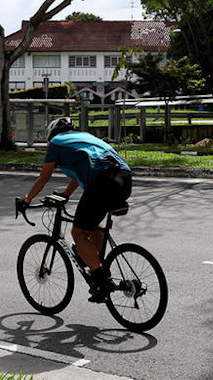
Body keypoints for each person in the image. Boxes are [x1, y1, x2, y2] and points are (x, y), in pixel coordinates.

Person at [23, 116, 132, 302]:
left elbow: (44, 177)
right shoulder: (85, 138)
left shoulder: (56, 143)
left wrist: (27, 200)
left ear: (52, 135)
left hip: (103, 182)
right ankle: (98, 265)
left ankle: (101, 280)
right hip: (125, 179)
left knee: (78, 232)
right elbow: (78, 174)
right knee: (93, 224)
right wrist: (66, 194)